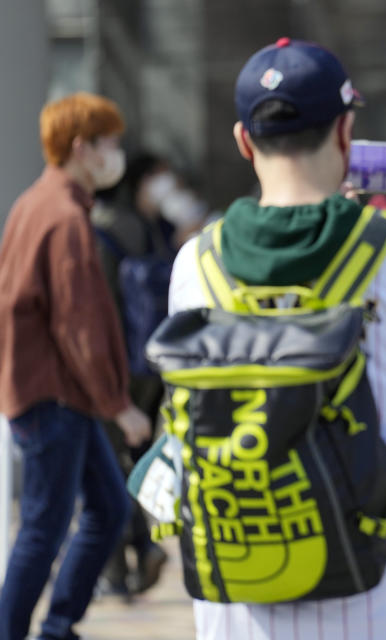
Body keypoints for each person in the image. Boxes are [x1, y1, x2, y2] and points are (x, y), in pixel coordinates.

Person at [169, 38, 386, 640]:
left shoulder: (195, 264)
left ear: (243, 140)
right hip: (377, 598)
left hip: (240, 602)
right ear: (344, 133)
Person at [0, 92, 151, 640]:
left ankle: (57, 626)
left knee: (106, 511)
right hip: (58, 398)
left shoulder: (35, 204)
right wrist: (120, 405)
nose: (116, 153)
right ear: (83, 148)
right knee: (43, 527)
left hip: (57, 396)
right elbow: (79, 325)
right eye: (109, 142)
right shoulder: (64, 217)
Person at [92, 152, 178, 597]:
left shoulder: (106, 224)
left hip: (118, 366)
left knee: (110, 468)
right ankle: (137, 550)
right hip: (149, 362)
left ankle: (133, 554)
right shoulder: (145, 227)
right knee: (132, 462)